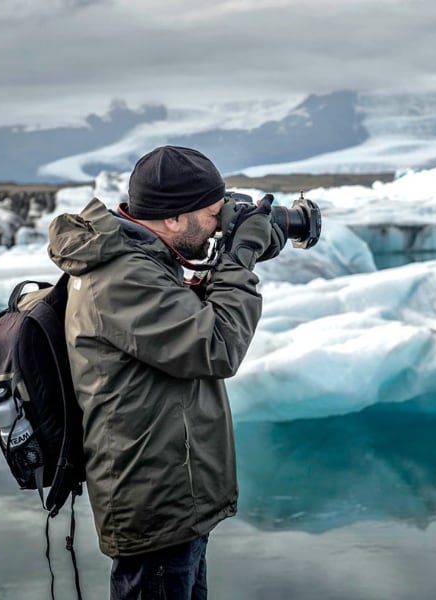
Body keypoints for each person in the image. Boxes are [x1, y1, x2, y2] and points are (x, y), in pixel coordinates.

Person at [47, 145, 286, 600]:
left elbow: (189, 319)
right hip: (155, 503)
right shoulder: (122, 276)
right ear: (175, 218)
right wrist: (238, 259)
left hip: (174, 495)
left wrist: (235, 255)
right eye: (214, 213)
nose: (220, 224)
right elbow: (216, 346)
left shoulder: (142, 261)